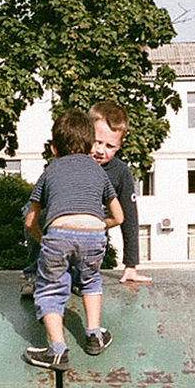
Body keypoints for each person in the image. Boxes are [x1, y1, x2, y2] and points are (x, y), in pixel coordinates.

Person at [22, 109, 124, 371]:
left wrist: (46, 240)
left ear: (54, 149)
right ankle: (94, 335)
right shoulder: (99, 172)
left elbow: (30, 220)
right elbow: (119, 216)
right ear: (91, 147)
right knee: (90, 280)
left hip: (58, 234)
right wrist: (95, 225)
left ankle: (57, 351)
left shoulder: (49, 171)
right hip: (94, 235)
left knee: (49, 288)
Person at [87, 101, 149, 284]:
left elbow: (129, 218)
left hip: (95, 231)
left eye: (109, 146)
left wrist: (131, 265)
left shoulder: (121, 172)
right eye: (97, 142)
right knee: (31, 210)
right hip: (65, 227)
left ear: (120, 144)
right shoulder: (73, 161)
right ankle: (37, 268)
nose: (100, 151)